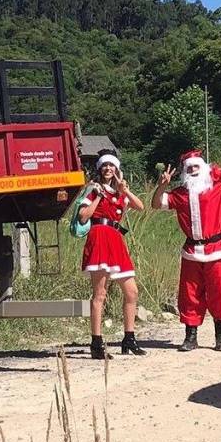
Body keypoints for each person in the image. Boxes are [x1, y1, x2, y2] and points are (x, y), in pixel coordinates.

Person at [151, 150, 221, 352]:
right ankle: (190, 337)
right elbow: (156, 204)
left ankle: (220, 337)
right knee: (190, 294)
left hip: (217, 249)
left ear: (204, 168)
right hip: (192, 251)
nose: (193, 170)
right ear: (184, 172)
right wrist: (162, 186)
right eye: (189, 168)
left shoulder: (219, 188)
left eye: (197, 166)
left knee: (219, 292)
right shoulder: (179, 194)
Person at [77, 151, 146, 358]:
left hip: (116, 240)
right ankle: (96, 342)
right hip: (99, 237)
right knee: (100, 293)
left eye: (111, 165)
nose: (108, 169)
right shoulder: (94, 189)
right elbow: (83, 217)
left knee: (131, 292)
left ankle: (129, 338)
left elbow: (140, 207)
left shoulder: (120, 193)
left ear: (117, 169)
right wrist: (98, 196)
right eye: (105, 166)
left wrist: (125, 191)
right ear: (100, 169)